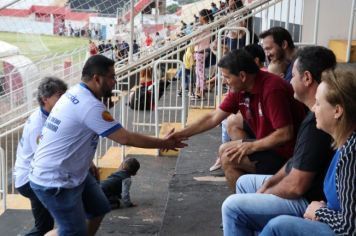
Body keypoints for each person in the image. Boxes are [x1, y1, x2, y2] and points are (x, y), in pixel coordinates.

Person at [29, 55, 187, 236]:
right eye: (112, 77)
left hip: (72, 172)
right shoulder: (89, 105)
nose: (115, 82)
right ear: (97, 78)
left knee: (98, 208)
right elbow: (125, 138)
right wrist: (163, 142)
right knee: (72, 231)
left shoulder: (76, 93)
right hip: (55, 180)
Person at [221, 46, 337, 236]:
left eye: (293, 75)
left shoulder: (318, 123)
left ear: (307, 78)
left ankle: (247, 221)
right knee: (243, 183)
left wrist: (268, 193)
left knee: (231, 207)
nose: (290, 80)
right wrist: (271, 182)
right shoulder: (312, 114)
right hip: (299, 185)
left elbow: (296, 185)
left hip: (308, 201)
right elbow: (296, 160)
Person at [171, 49, 305, 190]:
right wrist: (181, 134)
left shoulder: (272, 89)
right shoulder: (241, 88)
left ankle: (244, 205)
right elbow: (213, 117)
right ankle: (249, 197)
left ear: (242, 76)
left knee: (229, 158)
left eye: (227, 77)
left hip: (287, 155)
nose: (224, 81)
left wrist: (252, 146)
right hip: (270, 145)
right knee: (224, 149)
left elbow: (285, 133)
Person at [260, 63, 356, 236]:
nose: (313, 109)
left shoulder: (351, 154)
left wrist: (320, 212)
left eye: (318, 104)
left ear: (337, 111)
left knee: (278, 226)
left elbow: (350, 226)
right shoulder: (344, 144)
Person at [14, 77, 67, 236]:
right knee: (45, 226)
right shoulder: (39, 124)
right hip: (29, 180)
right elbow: (47, 158)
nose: (63, 98)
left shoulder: (49, 115)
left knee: (46, 224)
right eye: (59, 95)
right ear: (45, 99)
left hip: (32, 176)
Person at [193, 9, 214, 100]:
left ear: (203, 17)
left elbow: (195, 41)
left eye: (200, 16)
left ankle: (202, 92)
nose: (199, 18)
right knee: (199, 72)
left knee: (200, 73)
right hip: (204, 51)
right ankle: (198, 91)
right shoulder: (208, 27)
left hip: (200, 51)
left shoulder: (202, 28)